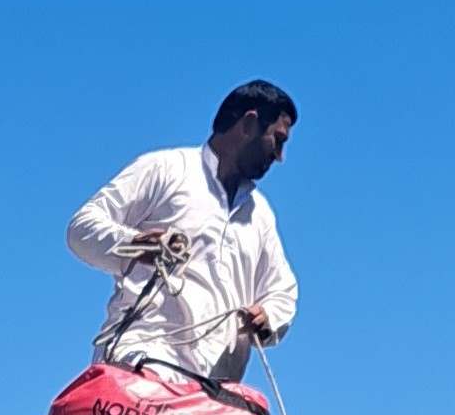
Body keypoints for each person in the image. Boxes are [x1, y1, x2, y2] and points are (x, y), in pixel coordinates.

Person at [66, 80, 299, 382]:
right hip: (142, 366)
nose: (280, 157)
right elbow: (82, 228)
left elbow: (282, 289)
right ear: (249, 124)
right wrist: (133, 243)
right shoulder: (165, 169)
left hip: (214, 394)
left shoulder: (261, 215)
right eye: (277, 140)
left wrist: (268, 316)